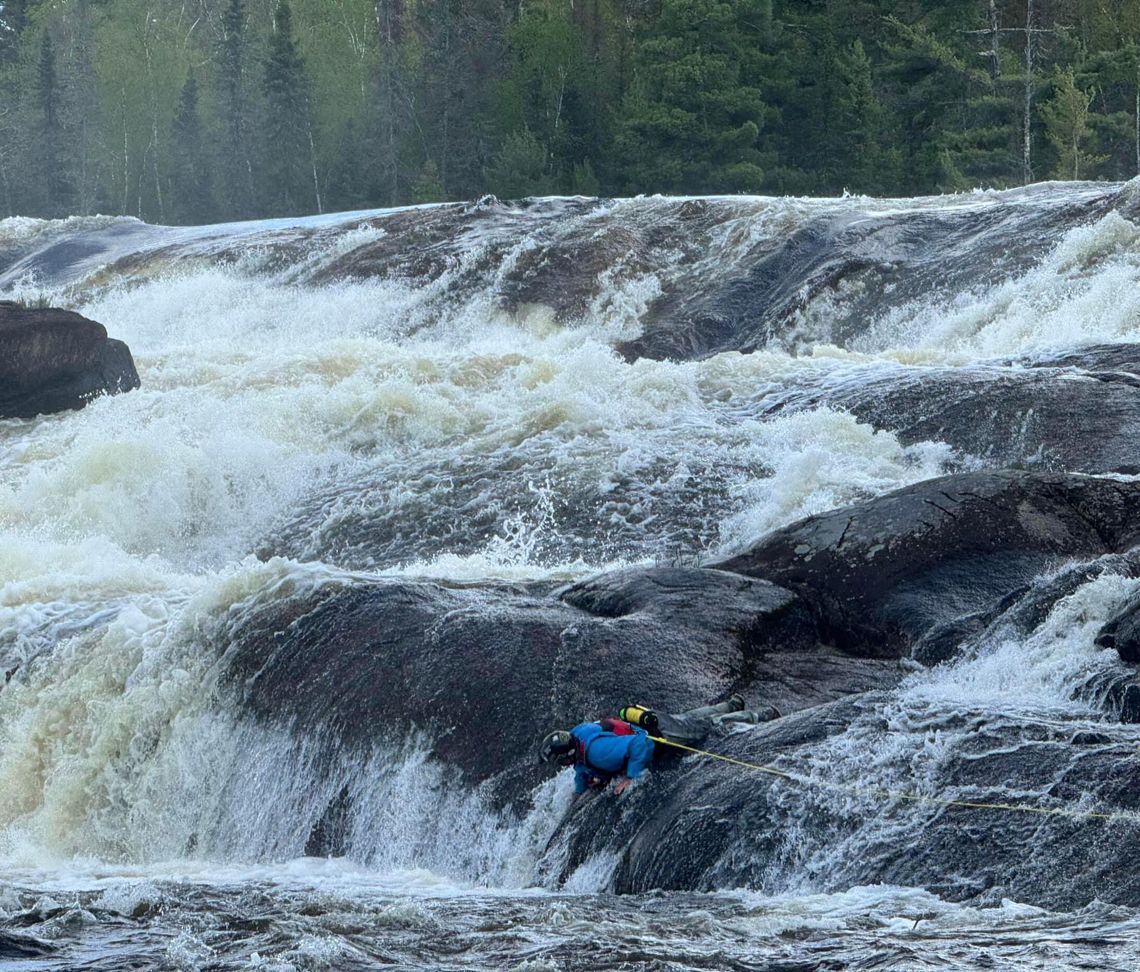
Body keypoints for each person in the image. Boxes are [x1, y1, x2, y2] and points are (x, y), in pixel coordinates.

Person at [538, 695, 776, 796]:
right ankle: (732, 703)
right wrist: (579, 792)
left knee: (708, 727)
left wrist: (631, 777)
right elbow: (581, 770)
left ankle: (762, 715)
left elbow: (640, 745)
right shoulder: (577, 737)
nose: (562, 764)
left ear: (569, 754)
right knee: (689, 718)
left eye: (561, 760)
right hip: (649, 720)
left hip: (657, 735)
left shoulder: (597, 752)